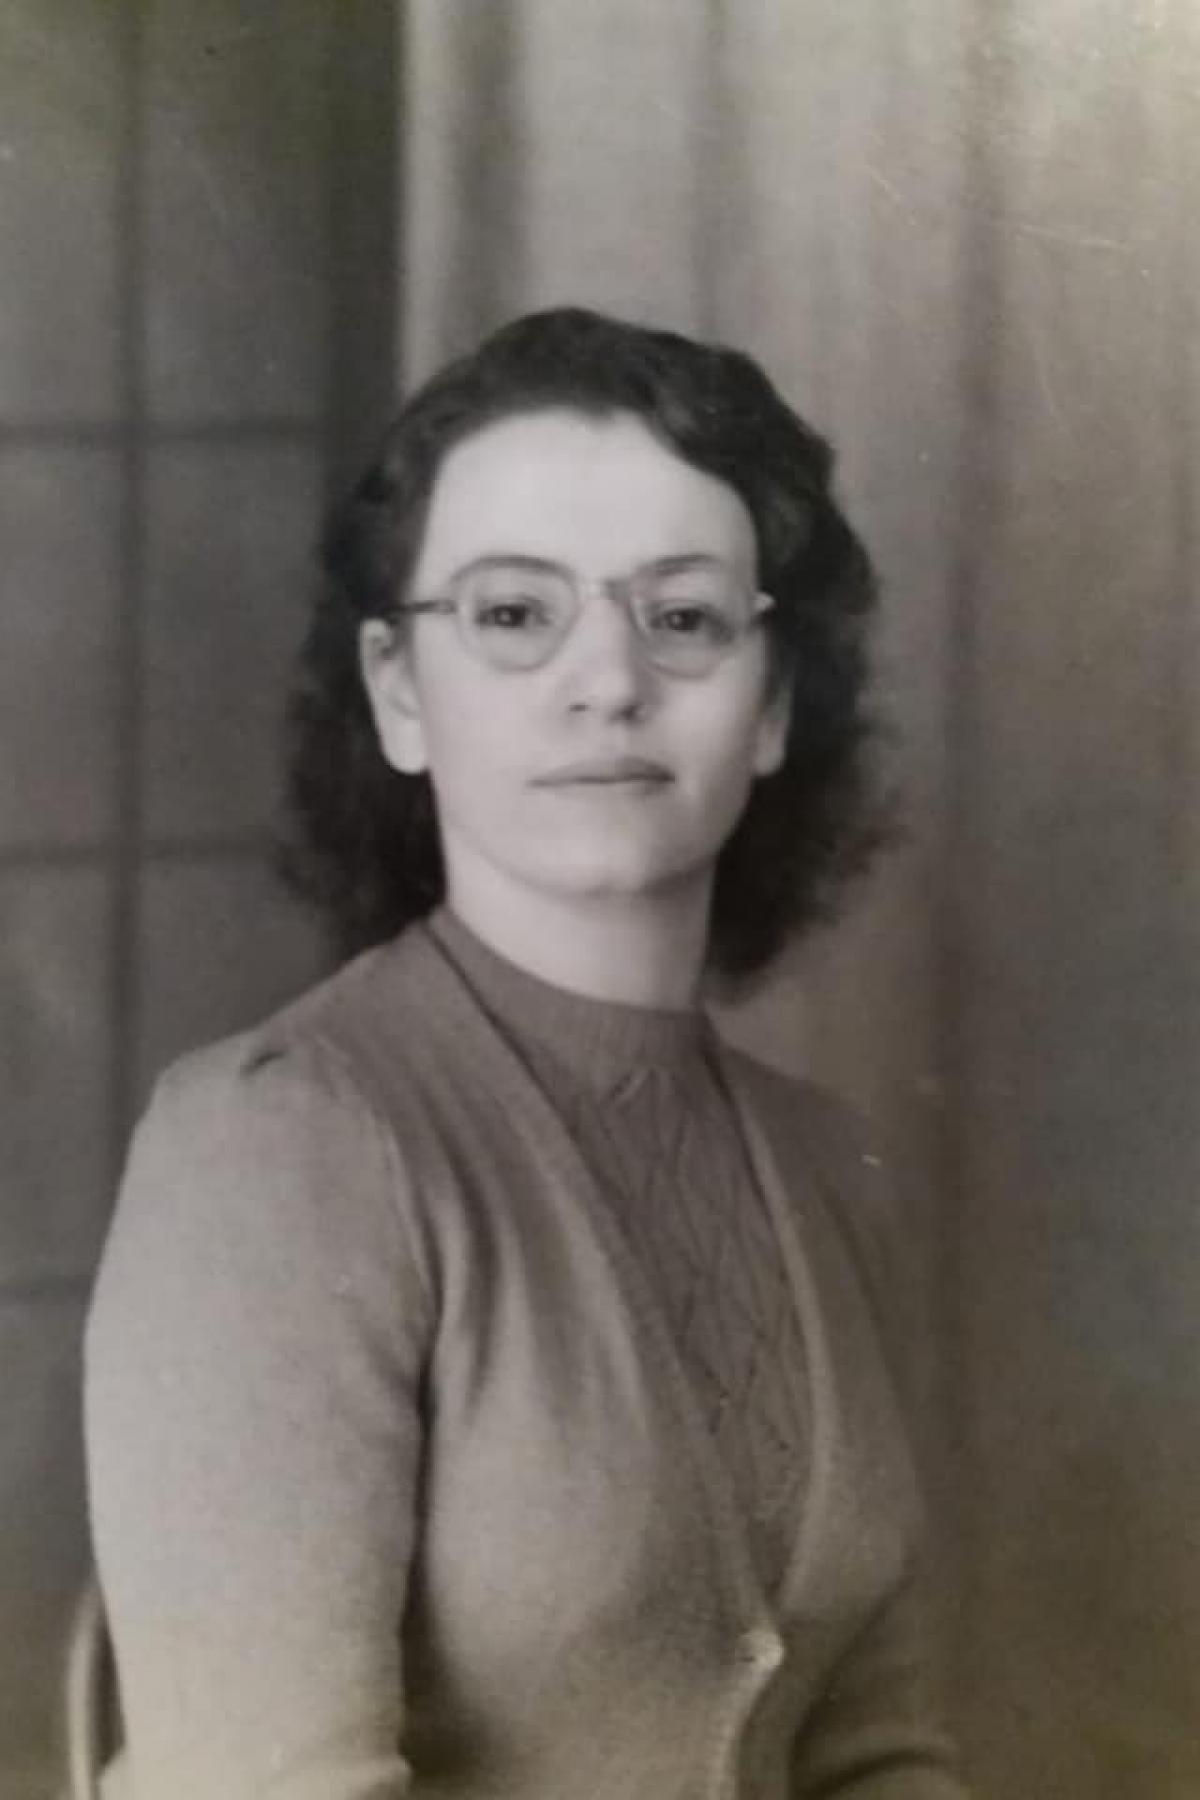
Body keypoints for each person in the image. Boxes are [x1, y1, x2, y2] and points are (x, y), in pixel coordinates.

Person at [84, 307, 968, 1798]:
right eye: (512, 614)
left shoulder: (832, 1168)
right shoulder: (277, 1147)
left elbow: (882, 1754)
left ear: (771, 703)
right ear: (400, 692)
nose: (607, 679)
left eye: (683, 618)